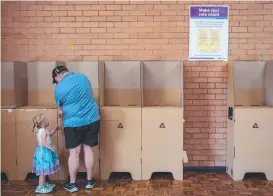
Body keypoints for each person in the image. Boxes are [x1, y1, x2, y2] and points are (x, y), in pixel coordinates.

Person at [52, 65, 100, 193]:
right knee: (88, 149)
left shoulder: (59, 87)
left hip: (73, 123)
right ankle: (89, 181)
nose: (56, 82)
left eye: (55, 79)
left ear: (58, 76)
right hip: (92, 118)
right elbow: (88, 94)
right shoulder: (83, 78)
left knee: (74, 153)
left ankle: (72, 184)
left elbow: (60, 107)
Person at [32, 114, 60, 194]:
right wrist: (51, 148)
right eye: (46, 119)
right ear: (43, 122)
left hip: (42, 151)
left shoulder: (42, 130)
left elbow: (48, 135)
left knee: (44, 169)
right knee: (43, 171)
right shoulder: (43, 131)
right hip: (45, 152)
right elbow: (44, 142)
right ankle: (40, 187)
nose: (48, 119)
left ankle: (43, 184)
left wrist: (54, 130)